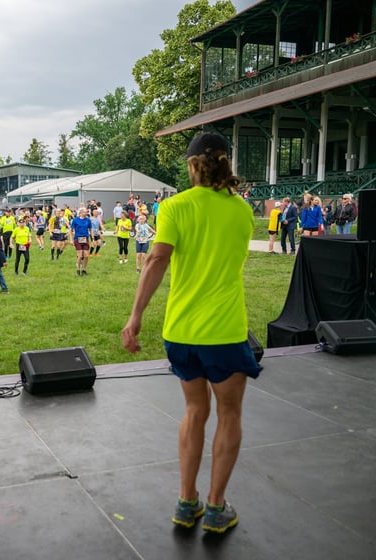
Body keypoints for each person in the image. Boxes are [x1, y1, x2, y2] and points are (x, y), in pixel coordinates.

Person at [121, 132, 261, 534]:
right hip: (224, 331)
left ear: (192, 165)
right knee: (229, 413)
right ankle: (216, 509)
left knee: (194, 411)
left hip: (181, 331)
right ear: (225, 163)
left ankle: (187, 503)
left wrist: (135, 317)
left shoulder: (175, 207)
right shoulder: (242, 211)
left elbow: (156, 260)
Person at [69, 207, 93, 276]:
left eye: (87, 212)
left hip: (85, 238)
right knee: (79, 255)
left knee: (86, 255)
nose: (86, 213)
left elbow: (90, 229)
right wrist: (71, 239)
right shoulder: (75, 220)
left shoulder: (88, 220)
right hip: (77, 238)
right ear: (81, 213)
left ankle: (84, 270)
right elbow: (71, 230)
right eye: (85, 212)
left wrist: (92, 238)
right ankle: (78, 270)